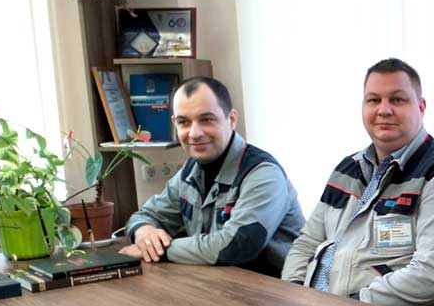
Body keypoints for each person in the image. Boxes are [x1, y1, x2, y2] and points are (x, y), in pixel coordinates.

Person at [281, 58, 434, 306]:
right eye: (373, 100)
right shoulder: (348, 169)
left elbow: (431, 277)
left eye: (397, 99)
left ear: (421, 107)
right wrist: (295, 296)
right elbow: (306, 243)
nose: (384, 110)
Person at [122, 76, 304, 276]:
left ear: (231, 119)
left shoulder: (263, 174)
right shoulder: (190, 170)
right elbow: (146, 215)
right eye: (184, 122)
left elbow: (235, 246)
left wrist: (162, 249)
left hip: (272, 290)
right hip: (215, 283)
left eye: (206, 120)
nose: (194, 133)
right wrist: (145, 233)